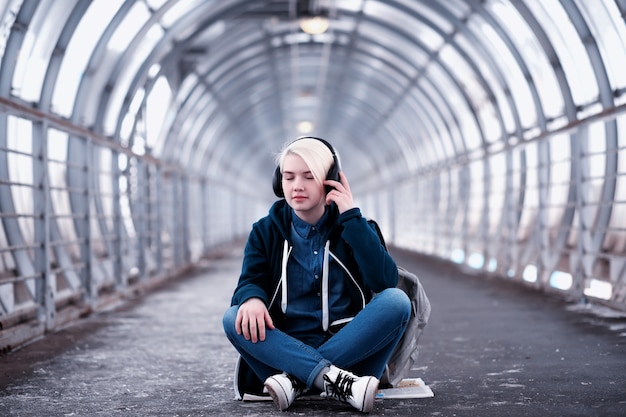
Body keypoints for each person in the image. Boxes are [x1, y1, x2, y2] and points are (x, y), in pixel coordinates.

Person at [222, 137, 411, 413]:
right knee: (233, 316)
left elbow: (384, 280)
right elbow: (251, 279)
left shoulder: (357, 227)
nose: (297, 185)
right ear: (280, 183)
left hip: (352, 354)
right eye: (289, 177)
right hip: (285, 353)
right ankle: (335, 382)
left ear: (330, 180)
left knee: (397, 301)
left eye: (308, 177)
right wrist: (251, 298)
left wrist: (352, 219)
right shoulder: (265, 232)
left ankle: (296, 382)